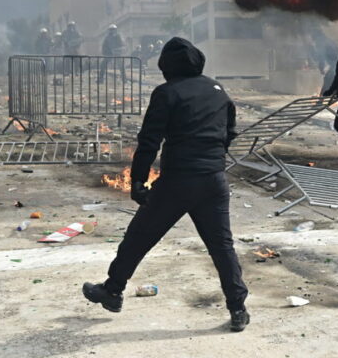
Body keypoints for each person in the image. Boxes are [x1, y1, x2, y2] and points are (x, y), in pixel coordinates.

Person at [83, 37, 250, 331]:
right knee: (222, 246)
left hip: (178, 181)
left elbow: (149, 141)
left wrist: (138, 180)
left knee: (139, 236)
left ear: (167, 67)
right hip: (213, 180)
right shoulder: (217, 90)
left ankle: (112, 291)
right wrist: (212, 157)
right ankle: (238, 308)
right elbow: (230, 132)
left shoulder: (167, 93)